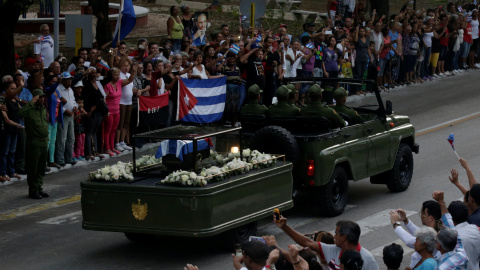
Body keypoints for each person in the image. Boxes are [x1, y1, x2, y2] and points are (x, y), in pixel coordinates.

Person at [274, 213, 379, 270]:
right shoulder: (333, 249)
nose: (334, 237)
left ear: (344, 237)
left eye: (336, 233)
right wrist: (285, 227)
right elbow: (306, 242)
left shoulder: (368, 260)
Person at [390, 200, 442, 268]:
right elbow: (421, 233)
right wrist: (405, 220)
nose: (421, 216)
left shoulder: (434, 236)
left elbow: (409, 241)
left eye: (423, 214)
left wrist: (395, 223)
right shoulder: (438, 229)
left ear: (430, 218)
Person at [19, 89, 49, 199]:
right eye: (40, 97)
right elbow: (20, 113)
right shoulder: (29, 109)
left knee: (41, 168)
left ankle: (39, 188)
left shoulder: (43, 109)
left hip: (44, 141)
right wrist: (31, 102)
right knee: (33, 168)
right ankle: (33, 190)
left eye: (43, 97)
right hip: (34, 142)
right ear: (35, 98)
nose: (42, 99)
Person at [103, 66, 136, 157]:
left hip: (117, 110)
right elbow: (104, 98)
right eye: (115, 75)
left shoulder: (119, 83)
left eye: (118, 74)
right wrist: (106, 110)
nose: (117, 76)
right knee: (108, 130)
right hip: (109, 111)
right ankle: (107, 148)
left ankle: (113, 146)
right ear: (111, 75)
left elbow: (129, 80)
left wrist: (133, 71)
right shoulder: (107, 85)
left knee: (114, 129)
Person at [0, 82, 24, 182]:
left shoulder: (16, 100)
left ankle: (11, 171)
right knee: (5, 152)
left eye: (15, 88)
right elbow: (6, 119)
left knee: (12, 151)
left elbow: (21, 112)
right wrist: (16, 125)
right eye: (12, 88)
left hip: (15, 129)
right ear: (6, 90)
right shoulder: (4, 100)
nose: (14, 91)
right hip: (8, 129)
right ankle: (3, 172)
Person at [82, 67, 106, 161]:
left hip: (99, 110)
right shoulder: (87, 84)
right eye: (92, 73)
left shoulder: (98, 84)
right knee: (89, 132)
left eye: (95, 73)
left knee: (95, 131)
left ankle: (95, 150)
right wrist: (89, 109)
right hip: (91, 110)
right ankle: (89, 152)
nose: (94, 74)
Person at [55, 72, 78, 166]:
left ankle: (69, 157)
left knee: (71, 138)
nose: (70, 81)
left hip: (71, 115)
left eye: (70, 79)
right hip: (63, 115)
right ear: (63, 80)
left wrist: (75, 106)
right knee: (62, 138)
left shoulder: (71, 90)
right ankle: (60, 159)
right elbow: (57, 103)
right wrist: (64, 110)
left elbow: (74, 101)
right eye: (68, 80)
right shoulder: (58, 89)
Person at [116, 60, 135, 152]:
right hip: (121, 102)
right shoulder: (119, 75)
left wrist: (140, 91)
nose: (126, 67)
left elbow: (131, 87)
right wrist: (133, 73)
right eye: (124, 66)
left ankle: (122, 141)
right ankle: (117, 143)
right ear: (120, 66)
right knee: (120, 123)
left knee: (126, 123)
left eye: (128, 66)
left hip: (129, 102)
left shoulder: (128, 74)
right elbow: (126, 82)